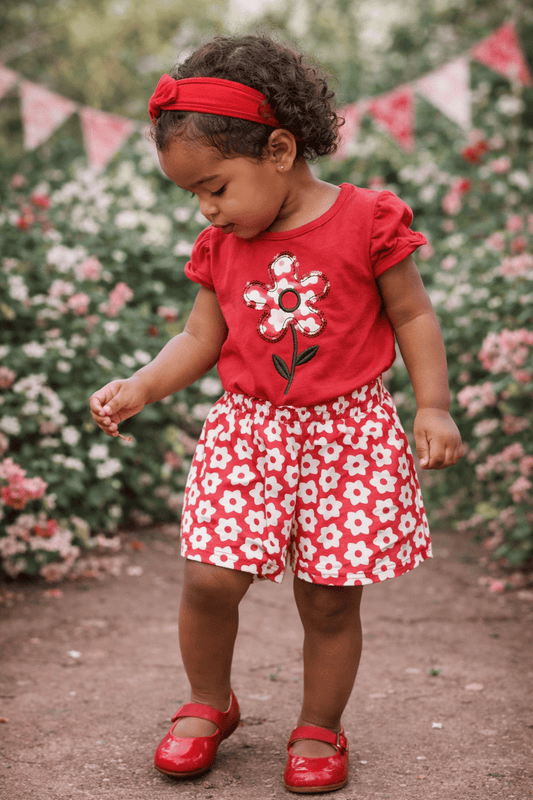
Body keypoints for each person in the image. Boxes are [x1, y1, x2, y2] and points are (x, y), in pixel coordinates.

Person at [89, 33, 463, 794]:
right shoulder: (221, 246)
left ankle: (319, 724)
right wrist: (142, 384)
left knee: (328, 597)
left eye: (216, 186)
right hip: (248, 433)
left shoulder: (367, 220)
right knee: (208, 578)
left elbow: (415, 317)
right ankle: (207, 702)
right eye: (193, 193)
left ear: (282, 150)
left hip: (348, 435)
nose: (207, 208)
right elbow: (201, 336)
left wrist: (434, 405)